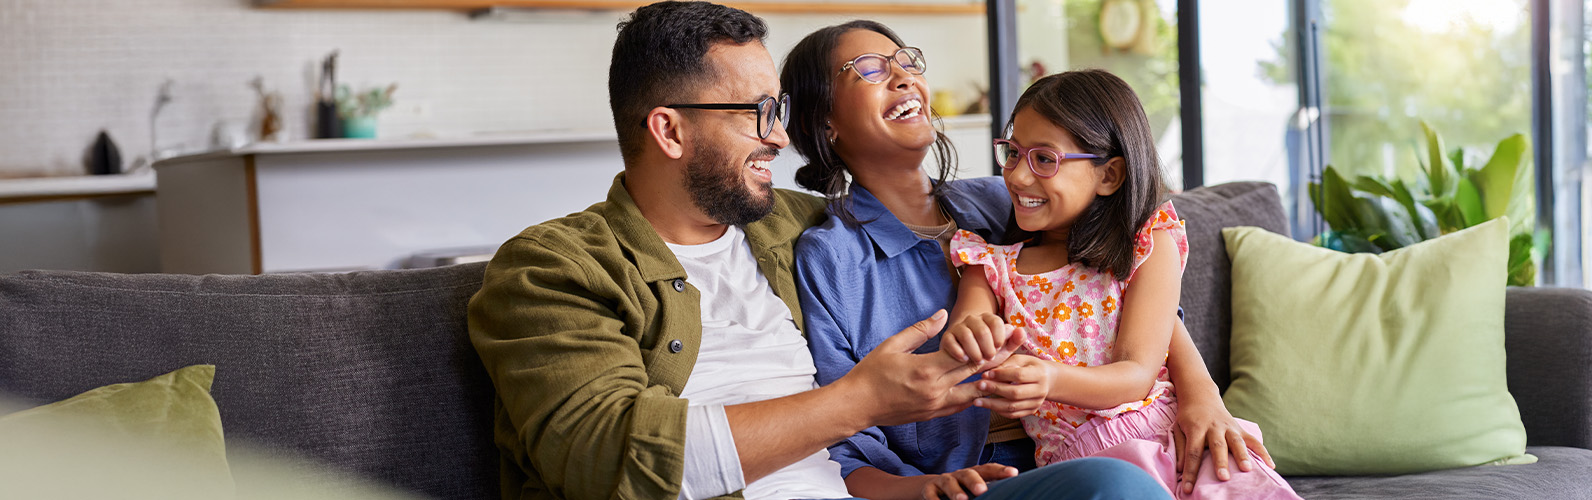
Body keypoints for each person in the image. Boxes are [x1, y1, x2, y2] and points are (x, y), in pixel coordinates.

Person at [467, 3, 1166, 499]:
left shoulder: (792, 226)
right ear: (669, 131)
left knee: (1113, 485)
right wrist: (860, 403)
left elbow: (1117, 260)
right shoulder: (552, 268)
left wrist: (1194, 394)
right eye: (759, 114)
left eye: (781, 112)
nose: (778, 138)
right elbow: (602, 459)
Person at [784, 21, 1269, 500]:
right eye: (869, 69)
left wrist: (1202, 396)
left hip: (1129, 431)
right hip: (983, 480)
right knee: (1118, 484)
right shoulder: (832, 256)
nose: (905, 76)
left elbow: (1128, 292)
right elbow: (838, 435)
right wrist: (919, 487)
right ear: (822, 121)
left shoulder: (1008, 198)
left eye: (907, 62)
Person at [937, 69, 1303, 499]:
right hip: (1085, 469)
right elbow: (967, 327)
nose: (1017, 176)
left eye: (1044, 159)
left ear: (1109, 175)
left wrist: (1049, 378)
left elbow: (1136, 374)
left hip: (1177, 438)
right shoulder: (991, 265)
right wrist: (971, 337)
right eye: (1013, 152)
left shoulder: (1147, 246)